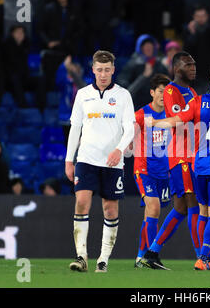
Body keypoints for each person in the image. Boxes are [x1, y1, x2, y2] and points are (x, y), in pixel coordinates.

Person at [144, 62, 210, 271]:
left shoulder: (198, 101)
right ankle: (204, 257)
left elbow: (177, 120)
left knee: (200, 210)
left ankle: (197, 257)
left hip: (198, 164)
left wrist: (154, 123)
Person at [64, 50, 135, 273]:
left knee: (110, 209)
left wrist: (119, 150)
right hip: (86, 158)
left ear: (113, 70)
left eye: (107, 70)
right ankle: (81, 256)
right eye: (99, 70)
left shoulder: (123, 95)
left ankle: (103, 259)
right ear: (93, 70)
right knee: (82, 202)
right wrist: (69, 159)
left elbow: (130, 128)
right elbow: (75, 128)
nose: (103, 74)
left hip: (113, 162)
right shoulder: (83, 94)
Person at [140, 51, 201, 270]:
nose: (193, 67)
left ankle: (152, 252)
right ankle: (202, 257)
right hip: (180, 154)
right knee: (193, 202)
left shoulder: (192, 91)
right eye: (188, 64)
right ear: (177, 69)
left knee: (181, 208)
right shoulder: (171, 91)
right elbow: (178, 121)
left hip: (190, 153)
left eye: (194, 64)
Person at [133, 74, 172, 268]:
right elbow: (127, 135)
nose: (163, 95)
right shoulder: (141, 115)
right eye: (159, 91)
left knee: (150, 213)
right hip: (144, 169)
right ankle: (151, 256)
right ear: (152, 93)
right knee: (154, 208)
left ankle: (140, 257)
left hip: (163, 172)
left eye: (166, 91)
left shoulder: (172, 117)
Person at [37, 0, 82, 90]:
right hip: (51, 50)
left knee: (72, 74)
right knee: (47, 77)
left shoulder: (74, 9)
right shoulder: (48, 8)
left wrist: (70, 42)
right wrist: (48, 42)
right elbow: (40, 28)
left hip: (68, 49)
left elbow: (79, 29)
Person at [116, 34, 169, 110]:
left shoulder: (159, 65)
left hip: (156, 108)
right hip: (136, 107)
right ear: (140, 49)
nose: (149, 48)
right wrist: (144, 76)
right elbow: (127, 92)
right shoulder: (132, 64)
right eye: (146, 47)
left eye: (151, 47)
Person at [2, 24, 46, 111]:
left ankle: (40, 107)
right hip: (10, 80)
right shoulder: (6, 46)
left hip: (24, 77)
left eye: (22, 32)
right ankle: (24, 107)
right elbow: (10, 64)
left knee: (41, 79)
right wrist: (18, 44)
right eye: (17, 32)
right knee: (15, 79)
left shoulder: (25, 45)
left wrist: (20, 45)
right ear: (12, 34)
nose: (20, 34)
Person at [183, 5, 210, 94]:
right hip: (194, 73)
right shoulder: (188, 31)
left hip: (209, 72)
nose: (200, 18)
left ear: (207, 17)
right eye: (198, 16)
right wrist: (193, 34)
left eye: (203, 16)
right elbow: (186, 51)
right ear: (194, 17)